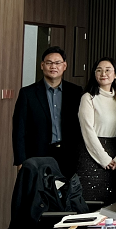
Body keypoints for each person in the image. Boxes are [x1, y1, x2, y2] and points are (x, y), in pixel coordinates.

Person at [12, 46, 84, 177]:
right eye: (49, 62)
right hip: (38, 154)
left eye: (58, 63)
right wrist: (20, 160)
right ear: (42, 65)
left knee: (67, 189)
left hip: (68, 155)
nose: (53, 66)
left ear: (64, 66)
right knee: (39, 189)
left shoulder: (75, 92)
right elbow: (19, 129)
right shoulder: (27, 93)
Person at [75, 57, 116, 203]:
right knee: (90, 201)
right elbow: (88, 131)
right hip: (91, 153)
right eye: (99, 70)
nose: (103, 73)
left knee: (111, 203)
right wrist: (104, 159)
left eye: (108, 70)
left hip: (114, 154)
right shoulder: (88, 97)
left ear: (115, 74)